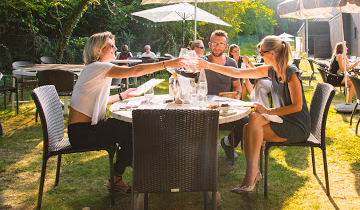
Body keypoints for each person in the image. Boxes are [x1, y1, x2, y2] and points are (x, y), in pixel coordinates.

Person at [67, 32, 186, 195]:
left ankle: (125, 174)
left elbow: (93, 99)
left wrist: (122, 96)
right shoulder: (97, 67)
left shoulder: (95, 69)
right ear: (98, 50)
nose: (115, 48)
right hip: (83, 133)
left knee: (132, 127)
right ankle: (126, 176)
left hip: (86, 129)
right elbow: (135, 70)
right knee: (136, 131)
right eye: (111, 45)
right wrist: (169, 63)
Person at [197, 35, 311, 194]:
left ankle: (252, 176)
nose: (260, 56)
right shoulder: (272, 71)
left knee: (250, 126)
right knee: (248, 126)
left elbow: (297, 106)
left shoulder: (290, 72)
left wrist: (269, 111)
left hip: (296, 127)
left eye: (261, 52)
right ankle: (253, 173)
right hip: (281, 121)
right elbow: (236, 72)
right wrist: (208, 66)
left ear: (272, 53)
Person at [202, 30, 243, 160]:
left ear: (226, 47)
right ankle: (201, 153)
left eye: (221, 44)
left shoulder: (231, 63)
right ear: (209, 44)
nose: (217, 47)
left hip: (226, 108)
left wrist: (237, 97)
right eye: (215, 43)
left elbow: (237, 87)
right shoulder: (201, 62)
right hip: (205, 108)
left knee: (246, 121)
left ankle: (228, 143)